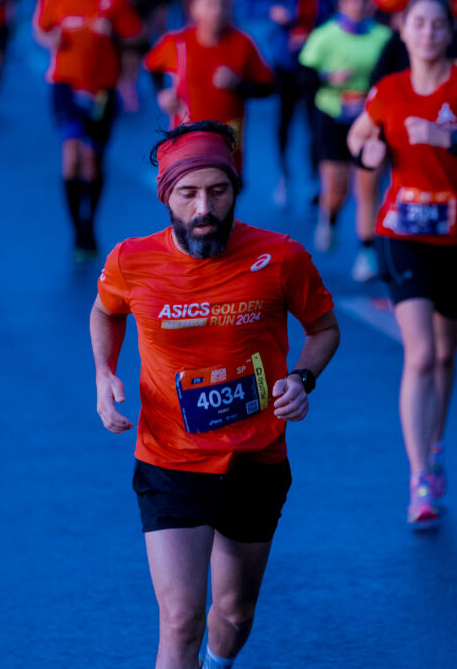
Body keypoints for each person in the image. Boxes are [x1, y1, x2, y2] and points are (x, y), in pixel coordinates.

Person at [90, 120, 341, 669]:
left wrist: (301, 379)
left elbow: (324, 328)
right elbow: (106, 311)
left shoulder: (280, 257)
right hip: (170, 461)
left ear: (234, 190)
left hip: (256, 460)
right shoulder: (132, 261)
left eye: (218, 190)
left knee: (233, 615)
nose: (204, 207)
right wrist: (104, 375)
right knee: (179, 619)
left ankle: (219, 663)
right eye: (188, 193)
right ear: (167, 198)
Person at [346, 0, 457, 525]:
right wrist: (366, 152)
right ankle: (419, 477)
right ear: (403, 30)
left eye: (437, 25)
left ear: (448, 34)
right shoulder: (389, 90)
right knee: (418, 354)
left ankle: (436, 443)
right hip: (402, 234)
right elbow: (359, 134)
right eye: (417, 23)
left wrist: (450, 138)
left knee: (445, 354)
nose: (426, 33)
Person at [33, 0, 144, 260]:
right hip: (65, 86)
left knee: (93, 161)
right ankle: (77, 230)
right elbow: (39, 29)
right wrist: (48, 38)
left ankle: (90, 221)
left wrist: (119, 37)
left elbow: (138, 36)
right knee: (70, 154)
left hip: (101, 91)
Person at [298, 0, 392, 276]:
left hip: (371, 121)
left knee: (368, 186)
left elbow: (398, 73)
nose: (356, 5)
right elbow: (302, 77)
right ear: (340, 3)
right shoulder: (325, 36)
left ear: (369, 4)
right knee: (337, 189)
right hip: (333, 117)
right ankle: (330, 217)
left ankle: (366, 253)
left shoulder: (384, 37)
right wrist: (328, 78)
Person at [247, 0, 334, 209]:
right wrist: (273, 11)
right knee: (283, 117)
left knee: (314, 118)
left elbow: (332, 3)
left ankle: (314, 178)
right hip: (284, 53)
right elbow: (252, 1)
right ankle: (284, 175)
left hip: (314, 52)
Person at [143, 0, 274, 173]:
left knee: (223, 196)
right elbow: (151, 65)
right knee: (189, 195)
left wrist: (238, 84)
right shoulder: (178, 43)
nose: (217, 10)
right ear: (195, 8)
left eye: (223, 4)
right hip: (186, 140)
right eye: (210, 4)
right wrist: (162, 93)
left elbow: (268, 87)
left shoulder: (242, 43)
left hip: (227, 143)